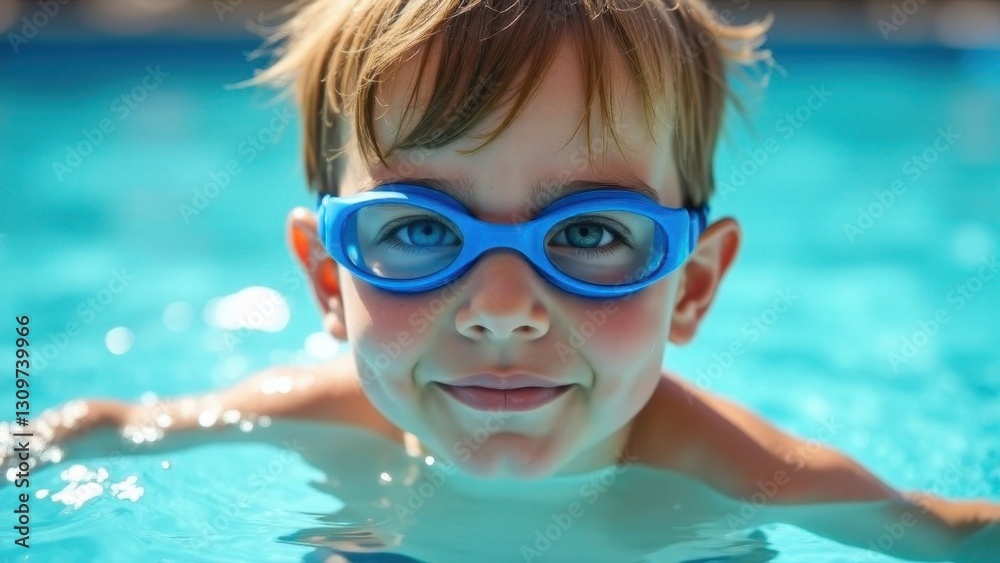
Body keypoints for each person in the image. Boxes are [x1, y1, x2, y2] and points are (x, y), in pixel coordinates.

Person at [3, 0, 998, 560]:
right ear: (324, 277)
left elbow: (948, 537)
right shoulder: (322, 413)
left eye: (594, 231)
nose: (503, 308)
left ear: (691, 287)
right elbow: (96, 422)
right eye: (420, 230)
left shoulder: (741, 474)